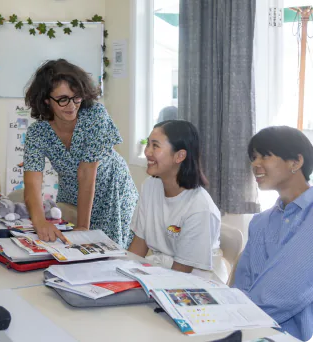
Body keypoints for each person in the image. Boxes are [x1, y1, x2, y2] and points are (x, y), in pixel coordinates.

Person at [23, 59, 138, 248]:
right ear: (46, 100)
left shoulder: (95, 116)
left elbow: (86, 172)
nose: (71, 105)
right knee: (67, 247)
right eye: (62, 99)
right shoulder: (38, 132)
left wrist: (83, 227)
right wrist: (39, 221)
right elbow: (32, 181)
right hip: (73, 190)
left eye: (76, 97)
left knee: (107, 250)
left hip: (111, 188)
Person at [233, 126, 313, 342]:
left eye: (265, 156)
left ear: (296, 162)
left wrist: (232, 319)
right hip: (250, 328)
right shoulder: (260, 222)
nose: (255, 164)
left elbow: (286, 292)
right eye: (253, 157)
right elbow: (241, 285)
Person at [128, 120, 221, 276]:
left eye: (155, 146)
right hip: (160, 272)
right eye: (148, 144)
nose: (147, 152)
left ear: (179, 156)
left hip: (189, 282)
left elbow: (180, 274)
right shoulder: (150, 187)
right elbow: (139, 246)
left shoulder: (199, 208)